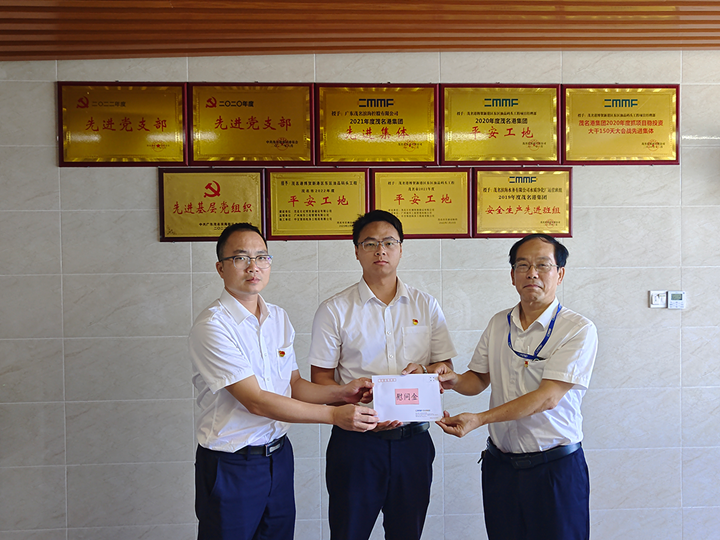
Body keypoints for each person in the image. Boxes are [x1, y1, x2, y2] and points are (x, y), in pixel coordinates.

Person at [189, 222, 379, 540]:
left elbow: (294, 385)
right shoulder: (212, 326)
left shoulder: (277, 317)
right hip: (232, 464)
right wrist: (334, 415)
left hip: (278, 458)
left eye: (262, 257)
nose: (253, 266)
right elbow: (256, 401)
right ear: (221, 268)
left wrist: (341, 393)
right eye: (240, 258)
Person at [436, 233, 598, 540]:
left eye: (543, 265)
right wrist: (453, 380)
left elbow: (547, 398)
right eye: (522, 265)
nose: (532, 273)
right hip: (501, 468)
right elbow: (478, 379)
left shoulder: (577, 329)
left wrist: (479, 419)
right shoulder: (499, 323)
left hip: (555, 469)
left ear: (560, 274)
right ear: (512, 276)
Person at [309, 210, 457, 540]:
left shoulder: (425, 305)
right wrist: (347, 397)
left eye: (389, 242)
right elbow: (320, 379)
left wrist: (426, 371)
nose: (380, 250)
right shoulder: (334, 309)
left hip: (413, 442)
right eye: (370, 243)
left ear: (401, 249)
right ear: (356, 251)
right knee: (349, 532)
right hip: (356, 444)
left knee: (407, 533)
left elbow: (444, 367)